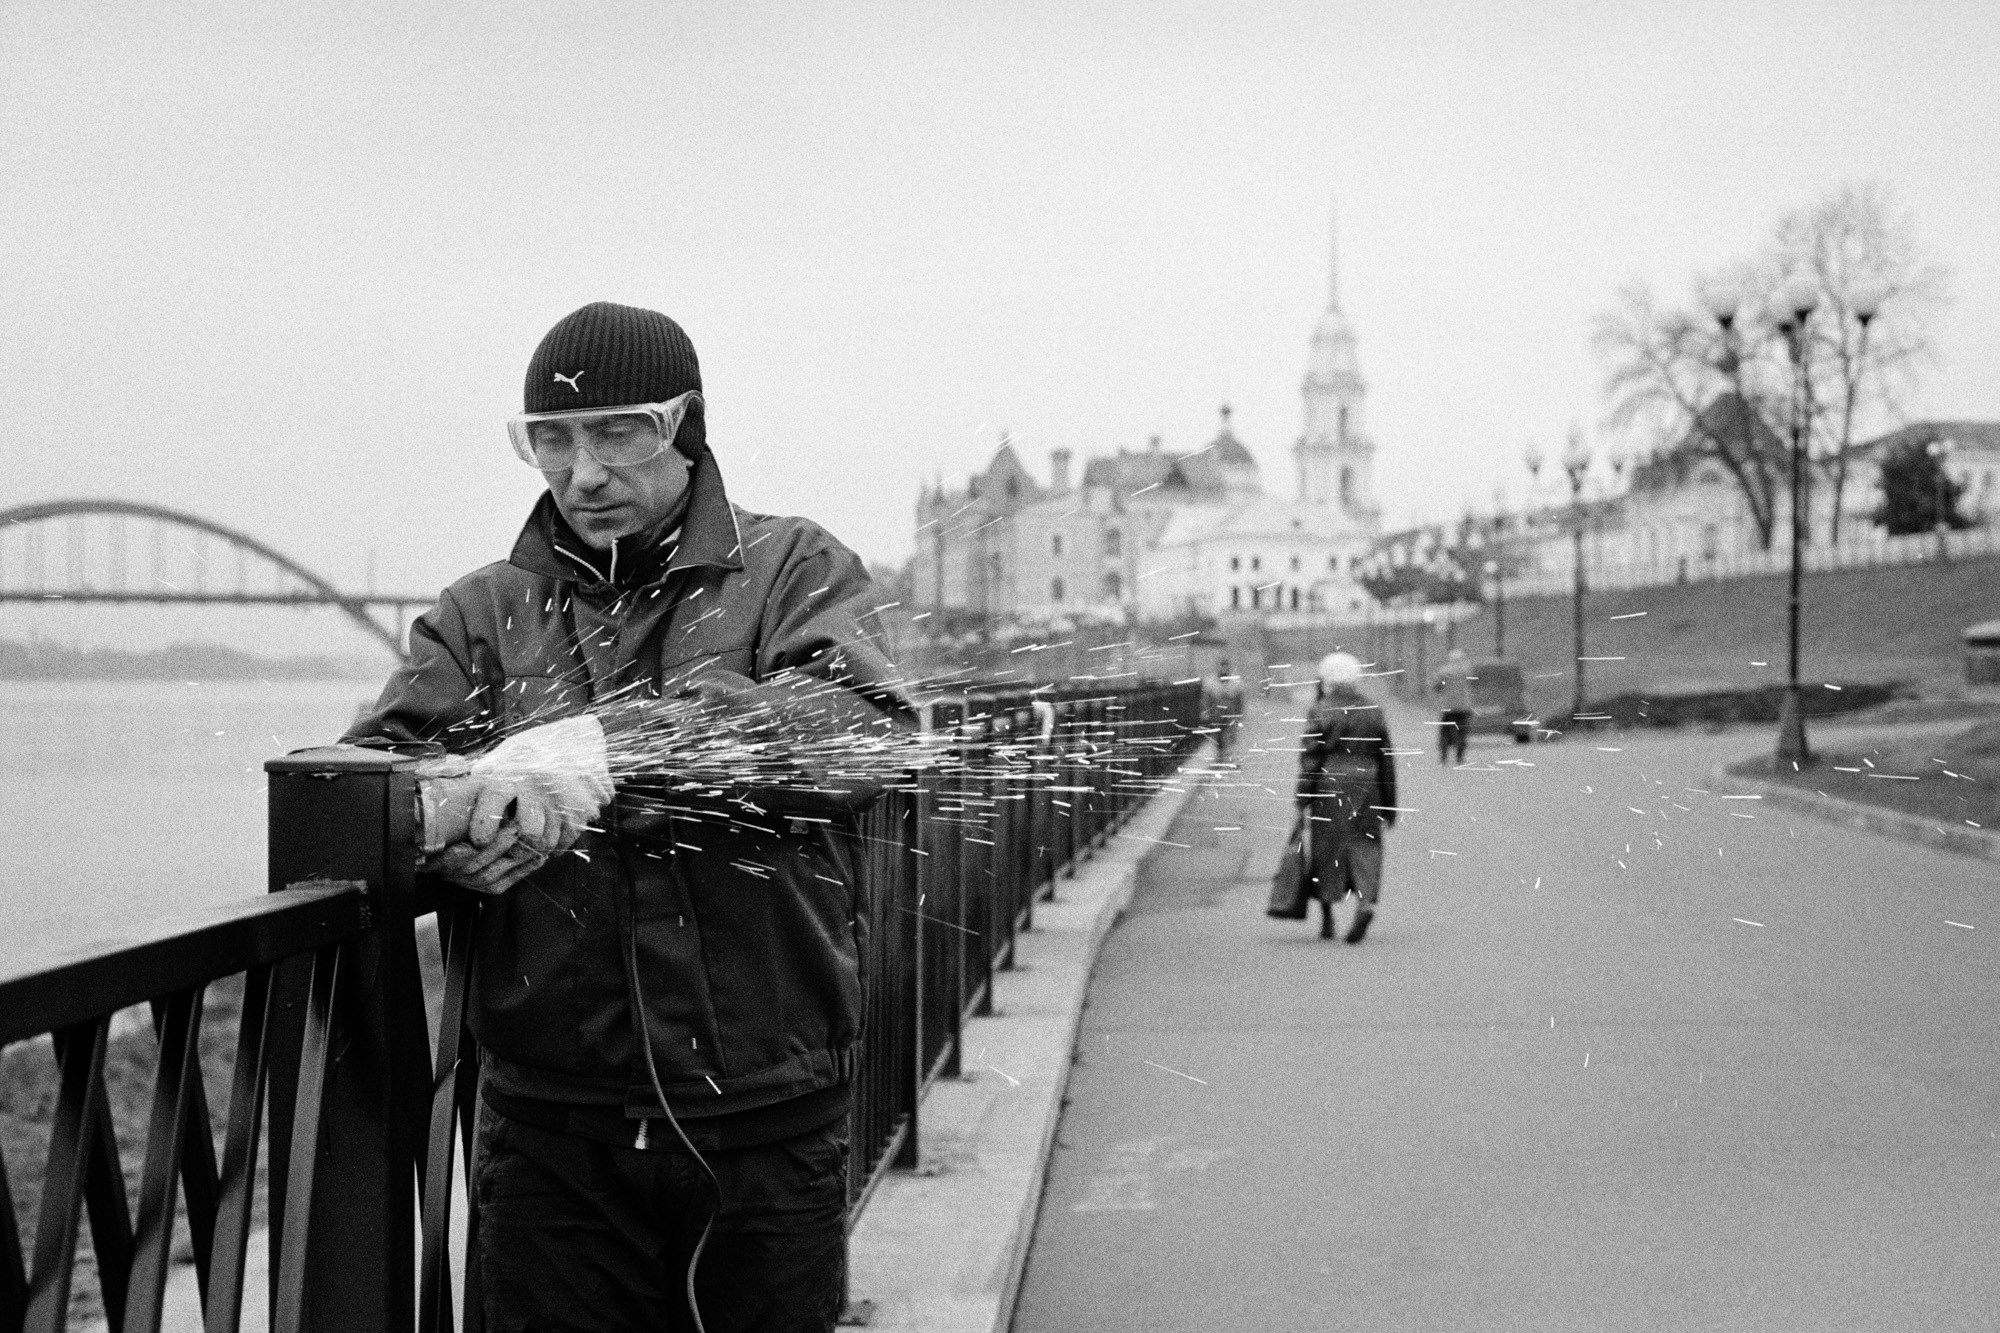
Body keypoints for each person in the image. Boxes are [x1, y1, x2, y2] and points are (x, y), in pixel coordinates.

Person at [345, 301, 914, 1333]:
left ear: (684, 426)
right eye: (550, 440)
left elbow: (860, 733)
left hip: (766, 1118)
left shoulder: (794, 569)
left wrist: (612, 747)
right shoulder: (483, 610)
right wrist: (445, 834)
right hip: (551, 1132)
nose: (582, 472)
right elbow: (374, 777)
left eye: (618, 432)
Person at [1296, 651, 1397, 943]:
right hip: (1368, 784)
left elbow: (1310, 758)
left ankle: (1327, 918)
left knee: (1326, 850)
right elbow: (1386, 759)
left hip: (1331, 784)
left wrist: (1302, 798)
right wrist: (1389, 803)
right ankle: (1365, 904)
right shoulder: (1374, 709)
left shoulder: (1321, 709)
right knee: (1366, 845)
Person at [1433, 646, 1474, 765]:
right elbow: (1471, 683)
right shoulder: (1466, 671)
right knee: (1462, 732)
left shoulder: (1444, 672)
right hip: (1463, 707)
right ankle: (1459, 757)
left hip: (1448, 707)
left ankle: (1444, 756)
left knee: (1445, 732)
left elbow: (1437, 686)